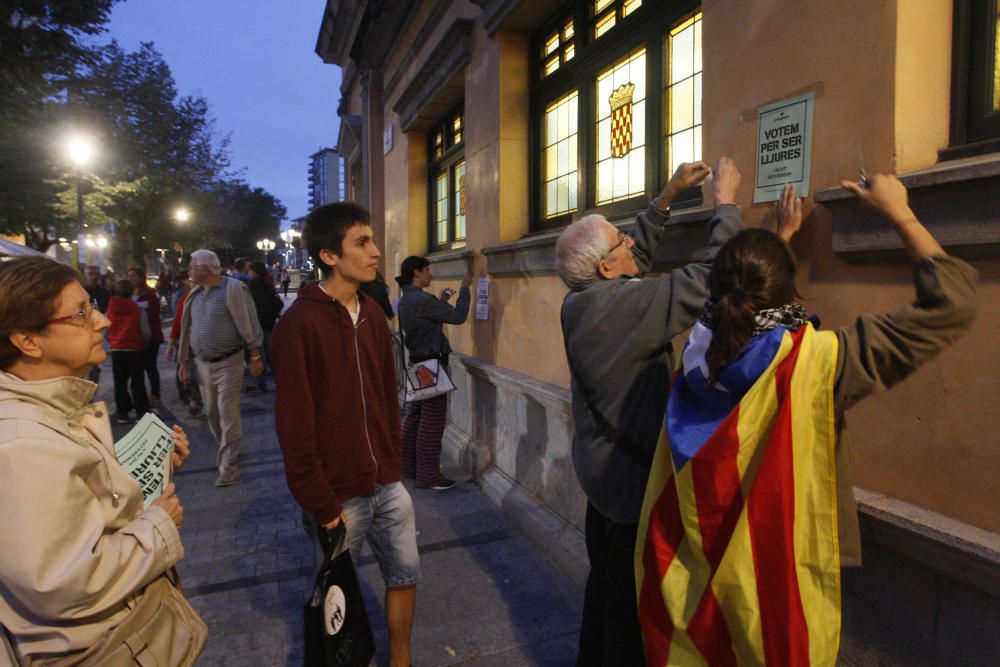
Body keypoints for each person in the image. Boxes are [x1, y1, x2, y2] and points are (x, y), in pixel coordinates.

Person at [635, 176, 977, 664]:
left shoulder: (695, 353)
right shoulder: (820, 365)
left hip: (701, 561)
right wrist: (901, 214)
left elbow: (746, 314)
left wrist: (779, 242)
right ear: (787, 289)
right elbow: (953, 303)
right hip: (778, 562)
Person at [556, 157, 744, 666]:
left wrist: (665, 197)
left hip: (603, 477)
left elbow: (630, 262)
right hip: (630, 485)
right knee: (630, 606)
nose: (631, 241)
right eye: (621, 242)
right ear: (606, 268)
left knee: (605, 589)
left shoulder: (582, 301)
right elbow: (714, 279)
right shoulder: (621, 308)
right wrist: (725, 204)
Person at [0, 256, 203, 665]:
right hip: (101, 650)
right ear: (28, 341)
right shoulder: (18, 446)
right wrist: (158, 525)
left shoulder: (53, 408)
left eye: (91, 305)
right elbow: (63, 584)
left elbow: (74, 507)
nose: (102, 321)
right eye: (81, 313)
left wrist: (147, 468)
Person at [272, 202, 418, 667]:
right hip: (338, 496)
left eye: (372, 240)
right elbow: (294, 424)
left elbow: (385, 393)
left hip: (386, 483)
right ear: (330, 255)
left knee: (405, 574)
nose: (376, 251)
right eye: (362, 242)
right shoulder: (299, 324)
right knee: (332, 599)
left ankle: (400, 660)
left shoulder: (374, 314)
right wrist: (320, 501)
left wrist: (391, 460)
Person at [176, 249, 264, 487]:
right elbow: (187, 330)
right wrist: (183, 360)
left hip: (229, 362)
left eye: (193, 266)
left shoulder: (233, 289)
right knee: (213, 413)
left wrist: (255, 354)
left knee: (227, 412)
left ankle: (228, 465)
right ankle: (230, 447)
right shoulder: (194, 294)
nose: (189, 270)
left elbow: (250, 321)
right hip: (203, 365)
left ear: (206, 268)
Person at [396, 259, 473, 490]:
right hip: (431, 365)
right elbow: (458, 317)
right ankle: (428, 475)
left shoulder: (406, 299)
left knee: (416, 416)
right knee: (432, 420)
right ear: (416, 273)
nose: (431, 274)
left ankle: (408, 467)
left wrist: (441, 302)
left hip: (418, 362)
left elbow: (427, 323)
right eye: (427, 270)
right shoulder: (422, 299)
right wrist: (466, 288)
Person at [106, 279, 151, 423]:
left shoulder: (110, 310)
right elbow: (146, 332)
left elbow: (105, 331)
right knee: (137, 382)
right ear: (131, 292)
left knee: (120, 383)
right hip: (135, 349)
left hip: (117, 349)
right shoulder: (138, 310)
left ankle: (122, 413)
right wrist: (145, 343)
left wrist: (113, 341)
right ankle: (141, 413)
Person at [166, 270, 203, 417]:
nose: (193, 282)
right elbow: (178, 323)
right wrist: (170, 343)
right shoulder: (184, 299)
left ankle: (201, 400)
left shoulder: (209, 298)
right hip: (189, 341)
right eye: (190, 280)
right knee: (191, 372)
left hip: (207, 343)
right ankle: (194, 399)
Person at [127, 266, 164, 410]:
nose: (131, 279)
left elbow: (154, 312)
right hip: (135, 336)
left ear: (141, 277)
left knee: (151, 367)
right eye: (129, 276)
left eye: (133, 276)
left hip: (150, 335)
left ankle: (155, 396)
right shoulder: (128, 294)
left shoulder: (150, 293)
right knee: (137, 369)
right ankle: (141, 399)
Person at [247, 260, 283, 393]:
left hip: (257, 322)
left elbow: (249, 303)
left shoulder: (253, 284)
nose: (249, 272)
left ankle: (260, 384)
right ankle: (279, 379)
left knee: (257, 354)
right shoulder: (267, 282)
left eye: (250, 270)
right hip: (269, 321)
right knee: (270, 351)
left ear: (254, 271)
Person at [83, 265, 112, 385]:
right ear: (86, 275)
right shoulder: (80, 291)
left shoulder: (105, 293)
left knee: (95, 367)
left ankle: (90, 394)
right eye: (90, 274)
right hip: (82, 332)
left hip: (99, 332)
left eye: (95, 274)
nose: (93, 277)